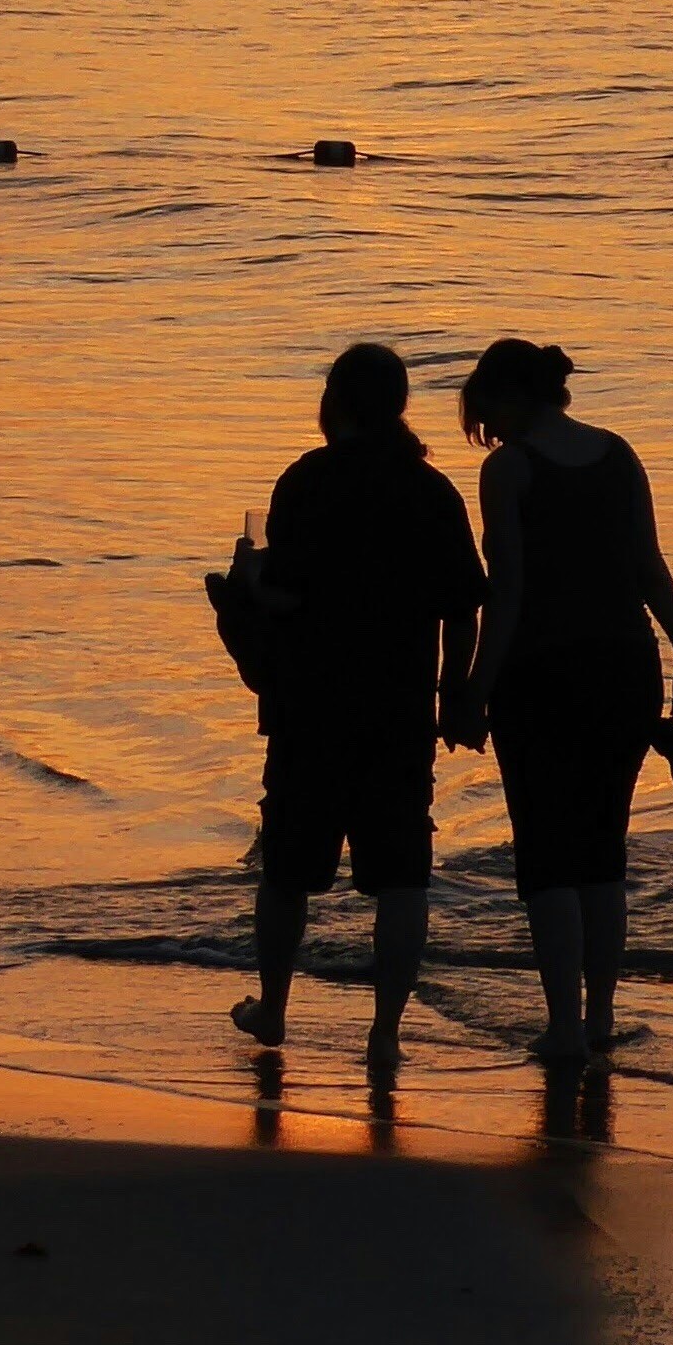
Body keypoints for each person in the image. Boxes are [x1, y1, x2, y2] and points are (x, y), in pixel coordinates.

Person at [447, 337, 673, 1065]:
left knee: (547, 853)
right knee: (602, 850)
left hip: (542, 674)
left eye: (486, 414)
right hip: (628, 666)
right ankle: (600, 1020)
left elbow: (508, 594)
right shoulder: (618, 454)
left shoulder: (509, 471)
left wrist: (474, 689)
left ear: (509, 399)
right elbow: (648, 565)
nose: (487, 433)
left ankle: (563, 1026)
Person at [231, 341, 484, 1078]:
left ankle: (274, 1007)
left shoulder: (305, 482)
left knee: (287, 868)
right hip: (398, 708)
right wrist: (454, 692)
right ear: (400, 405)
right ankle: (384, 1034)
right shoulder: (431, 491)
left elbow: (285, 596)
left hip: (309, 704)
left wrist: (247, 580)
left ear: (333, 402)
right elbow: (464, 607)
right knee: (401, 877)